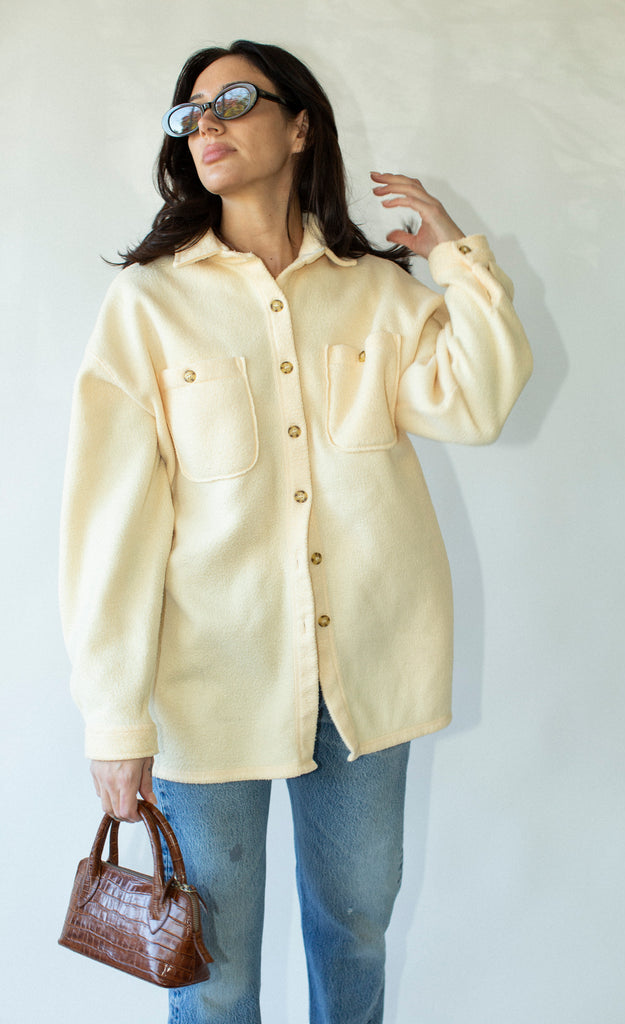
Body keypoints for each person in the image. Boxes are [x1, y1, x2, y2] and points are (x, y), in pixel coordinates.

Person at [59, 39, 532, 1024]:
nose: (208, 127)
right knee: (216, 970)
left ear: (300, 122)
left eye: (232, 101)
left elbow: (481, 399)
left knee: (354, 935)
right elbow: (109, 525)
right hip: (207, 687)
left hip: (364, 684)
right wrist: (115, 717)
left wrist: (451, 256)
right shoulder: (148, 307)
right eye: (189, 117)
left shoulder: (377, 293)